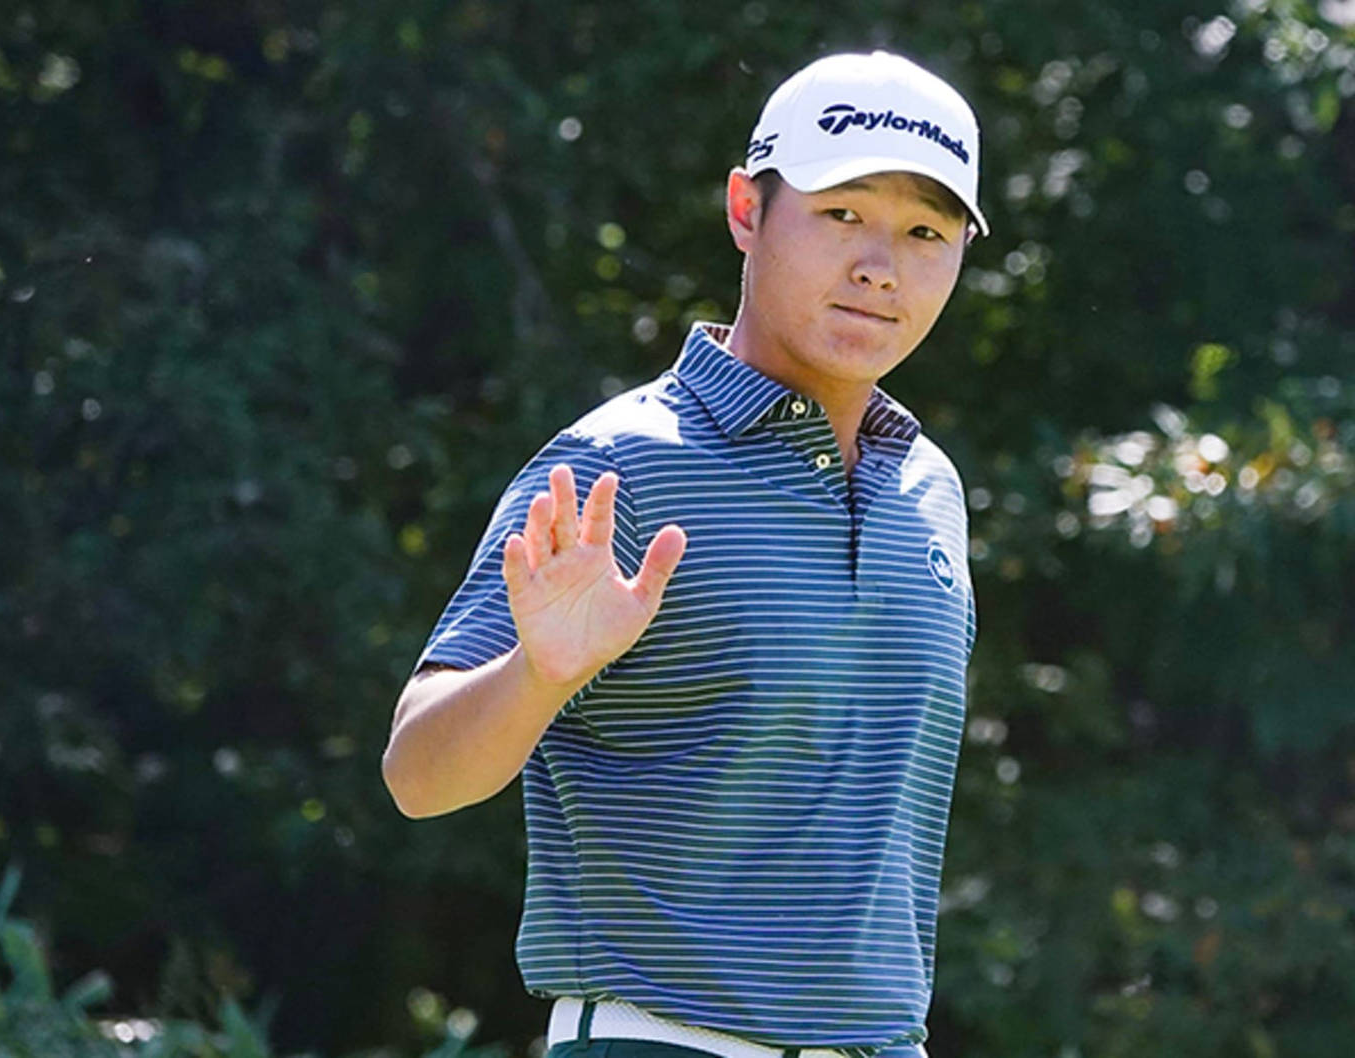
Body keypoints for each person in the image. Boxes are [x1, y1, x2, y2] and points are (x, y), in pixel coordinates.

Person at [382, 49, 989, 1058]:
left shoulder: (929, 486)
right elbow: (418, 772)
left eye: (925, 232)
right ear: (747, 210)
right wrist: (536, 674)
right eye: (842, 214)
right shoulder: (617, 465)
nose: (881, 265)